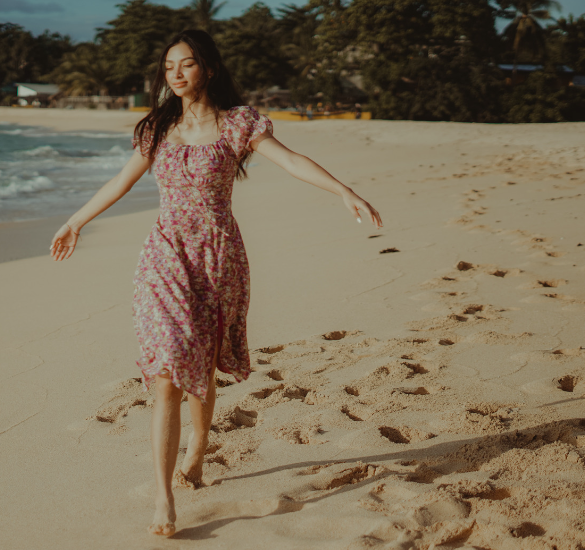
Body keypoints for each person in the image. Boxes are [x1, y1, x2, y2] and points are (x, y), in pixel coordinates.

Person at [49, 29, 382, 537]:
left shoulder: (237, 124)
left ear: (207, 67)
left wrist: (344, 190)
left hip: (218, 256)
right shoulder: (157, 129)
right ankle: (163, 499)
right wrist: (76, 222)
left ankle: (198, 446)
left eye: (185, 65)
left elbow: (290, 160)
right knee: (166, 373)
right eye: (168, 68)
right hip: (165, 254)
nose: (176, 75)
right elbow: (121, 182)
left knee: (201, 362)